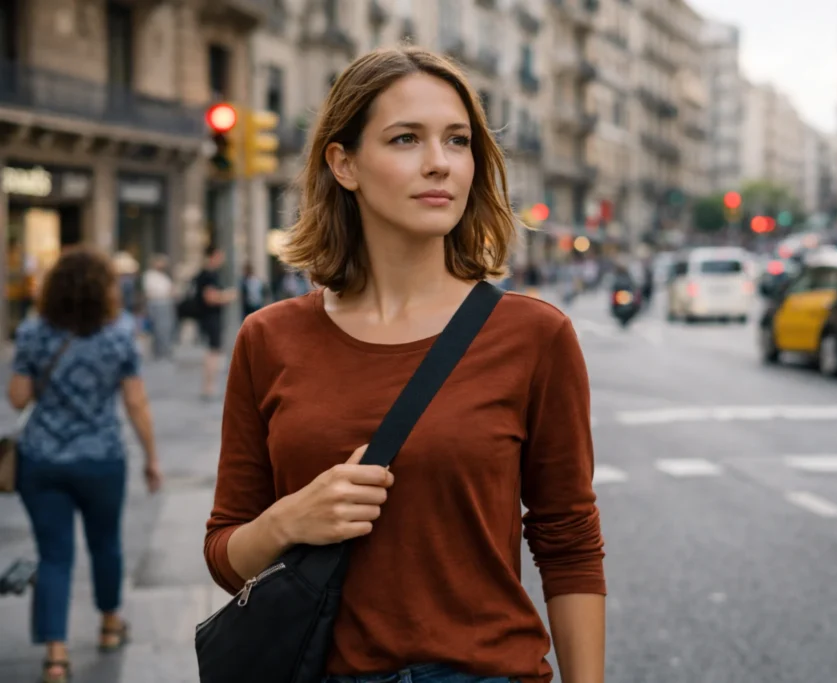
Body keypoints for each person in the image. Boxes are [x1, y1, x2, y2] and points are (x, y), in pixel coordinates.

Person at [203, 46, 605, 683]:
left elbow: (569, 540)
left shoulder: (534, 335)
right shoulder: (268, 339)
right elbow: (226, 554)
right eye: (405, 139)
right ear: (344, 163)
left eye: (457, 140)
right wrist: (290, 519)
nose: (439, 163)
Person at [8, 247, 162, 683]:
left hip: (42, 459)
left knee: (54, 557)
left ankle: (56, 657)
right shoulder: (119, 333)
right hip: (101, 458)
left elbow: (18, 397)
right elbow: (136, 402)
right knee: (105, 545)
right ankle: (110, 625)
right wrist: (152, 458)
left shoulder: (34, 332)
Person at [195, 245, 236, 399]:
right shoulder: (208, 275)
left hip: (211, 317)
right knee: (213, 351)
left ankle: (210, 386)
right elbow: (210, 297)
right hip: (211, 317)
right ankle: (209, 387)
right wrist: (227, 296)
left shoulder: (207, 274)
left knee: (215, 351)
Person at [142, 254, 176, 360]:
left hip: (167, 303)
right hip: (157, 304)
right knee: (158, 328)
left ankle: (165, 350)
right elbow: (149, 292)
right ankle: (159, 351)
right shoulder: (149, 275)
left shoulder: (164, 276)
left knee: (167, 327)